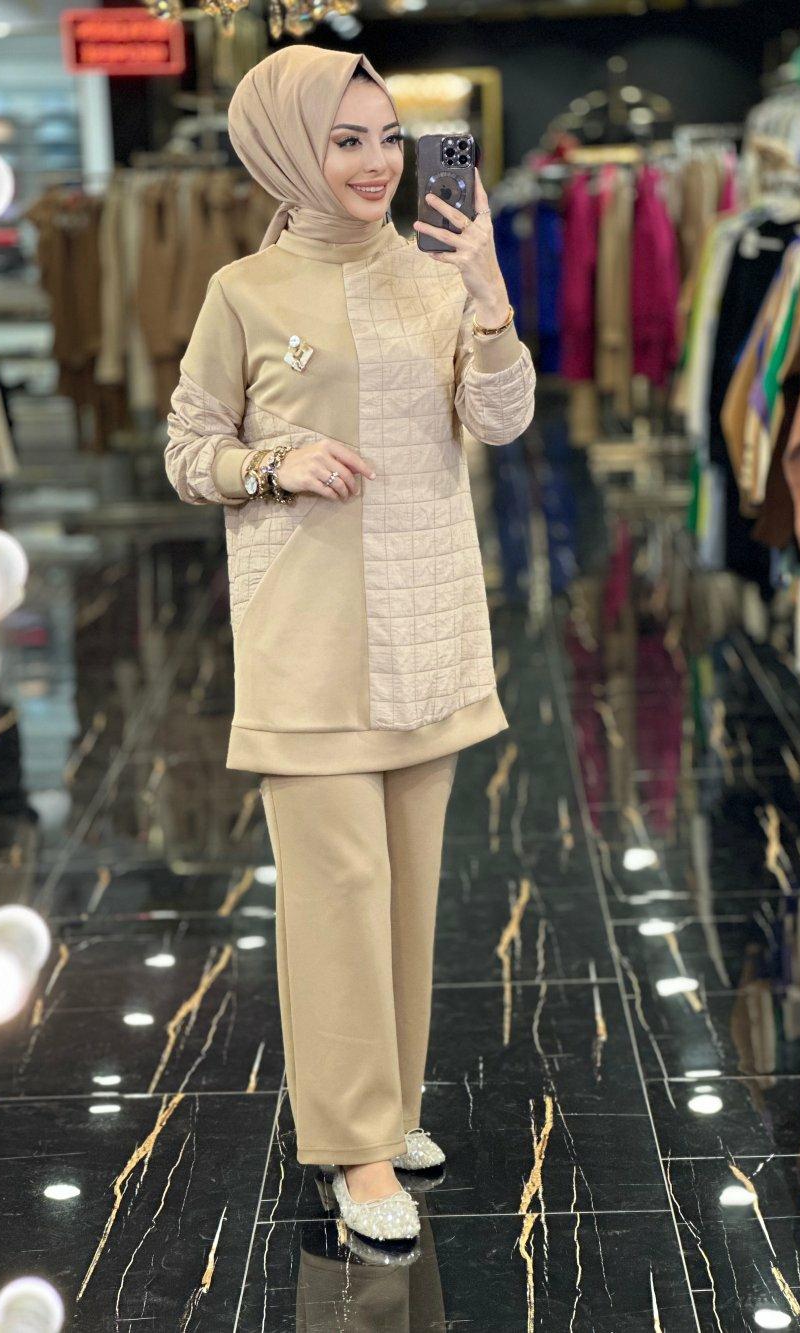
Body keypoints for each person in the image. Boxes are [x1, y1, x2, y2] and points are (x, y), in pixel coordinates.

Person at [164, 44, 535, 1243]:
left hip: (426, 627)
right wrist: (274, 462)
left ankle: (389, 1109)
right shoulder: (242, 291)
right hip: (309, 636)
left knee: (409, 891)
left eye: (387, 139)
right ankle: (351, 1148)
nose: (376, 164)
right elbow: (188, 450)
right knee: (338, 894)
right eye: (345, 140)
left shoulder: (435, 276)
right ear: (286, 150)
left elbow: (500, 420)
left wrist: (488, 295)